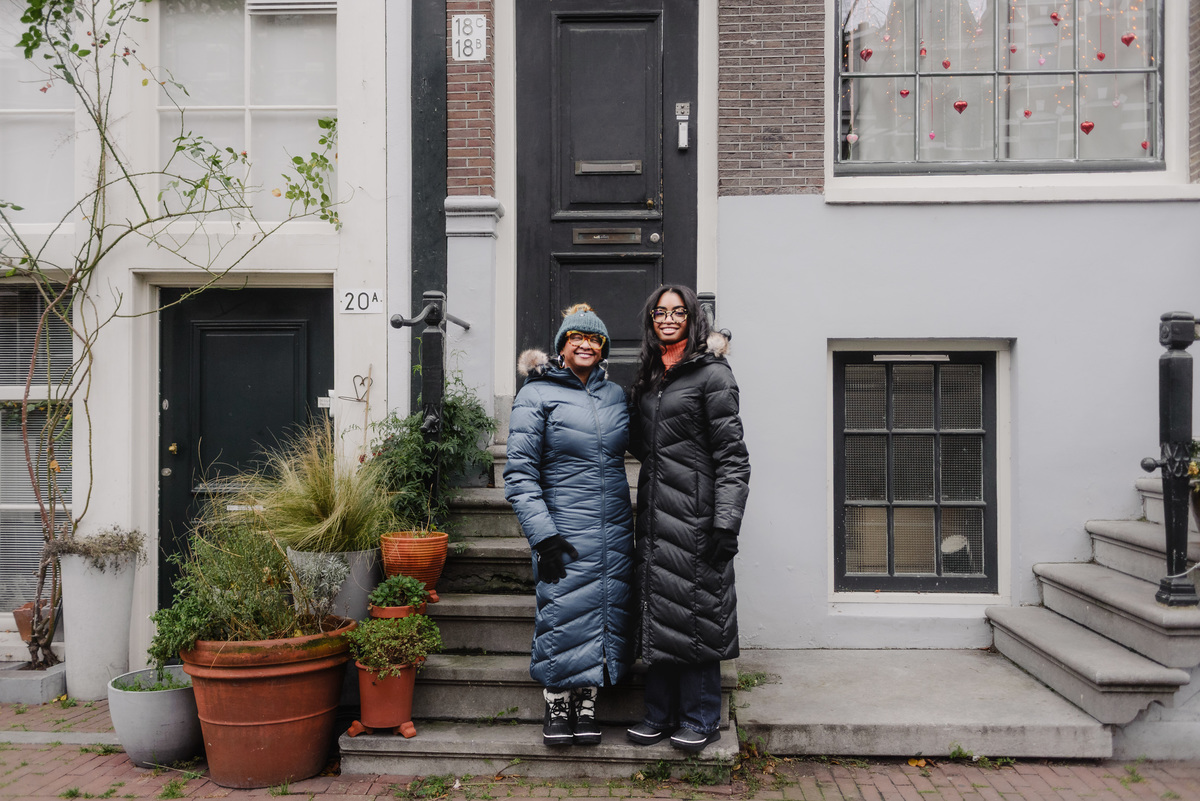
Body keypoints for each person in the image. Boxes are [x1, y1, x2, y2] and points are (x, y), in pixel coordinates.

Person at [625, 285, 751, 753]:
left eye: (678, 311)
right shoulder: (652, 376)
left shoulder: (712, 375)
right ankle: (659, 715)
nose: (669, 318)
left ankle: (701, 718)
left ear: (693, 318)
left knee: (699, 615)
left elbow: (734, 459)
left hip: (698, 517)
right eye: (661, 311)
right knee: (661, 613)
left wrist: (726, 524)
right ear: (651, 320)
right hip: (657, 514)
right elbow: (643, 444)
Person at [503, 303, 635, 747]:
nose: (585, 344)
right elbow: (519, 474)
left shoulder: (615, 396)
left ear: (603, 349)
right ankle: (557, 700)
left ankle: (587, 700)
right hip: (563, 529)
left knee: (603, 611)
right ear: (562, 345)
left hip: (613, 528)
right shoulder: (536, 394)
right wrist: (544, 536)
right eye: (576, 337)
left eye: (594, 339)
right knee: (561, 613)